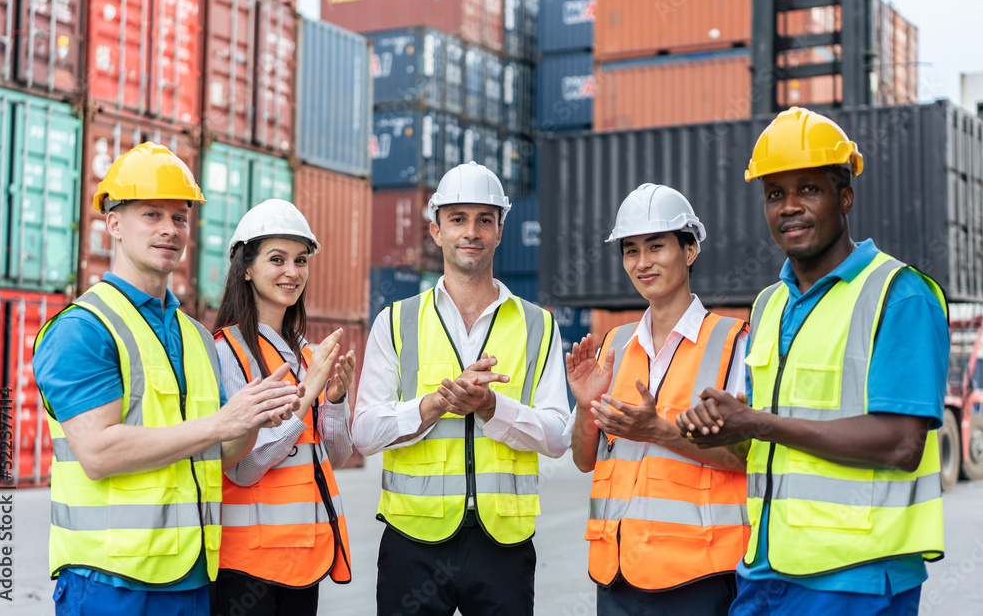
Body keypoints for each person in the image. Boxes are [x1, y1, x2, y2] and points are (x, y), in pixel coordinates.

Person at [677, 106, 948, 615]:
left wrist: (757, 421)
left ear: (844, 197)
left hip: (857, 579)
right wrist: (726, 429)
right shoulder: (769, 304)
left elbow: (901, 444)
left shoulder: (899, 295)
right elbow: (773, 441)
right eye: (775, 193)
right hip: (766, 570)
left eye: (810, 189)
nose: (789, 207)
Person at [33, 142, 302, 616]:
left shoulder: (196, 337)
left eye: (179, 218)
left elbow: (218, 455)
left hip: (193, 578)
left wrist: (254, 418)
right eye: (152, 214)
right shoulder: (83, 328)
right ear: (113, 224)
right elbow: (98, 453)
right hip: (109, 582)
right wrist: (222, 423)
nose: (169, 230)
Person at [352, 161, 572, 615]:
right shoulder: (395, 322)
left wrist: (493, 408)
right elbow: (365, 433)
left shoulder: (538, 326)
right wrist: (432, 405)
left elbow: (557, 437)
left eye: (484, 220)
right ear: (435, 231)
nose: (471, 231)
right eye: (457, 219)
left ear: (499, 231)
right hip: (413, 542)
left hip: (503, 546)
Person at [567, 183, 750, 615]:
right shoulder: (615, 344)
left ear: (690, 251)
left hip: (699, 577)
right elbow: (584, 459)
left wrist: (658, 431)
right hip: (616, 574)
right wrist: (584, 409)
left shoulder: (733, 343)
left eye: (656, 246)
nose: (642, 262)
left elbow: (749, 458)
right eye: (631, 250)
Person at [212, 199, 355, 615]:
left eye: (301, 260)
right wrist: (306, 396)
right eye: (277, 259)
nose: (292, 272)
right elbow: (243, 467)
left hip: (304, 557)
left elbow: (339, 456)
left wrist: (335, 401)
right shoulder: (228, 353)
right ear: (246, 267)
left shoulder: (306, 355)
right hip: (247, 565)